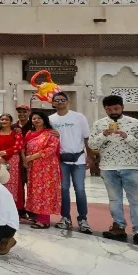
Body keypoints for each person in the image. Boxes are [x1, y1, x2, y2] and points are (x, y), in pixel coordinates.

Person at [87, 95, 138, 246]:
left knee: (136, 200)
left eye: (116, 108)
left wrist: (127, 136)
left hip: (130, 167)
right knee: (114, 199)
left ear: (122, 107)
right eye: (109, 109)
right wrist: (103, 135)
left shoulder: (134, 123)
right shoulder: (99, 124)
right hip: (108, 168)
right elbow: (92, 145)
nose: (113, 112)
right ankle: (118, 226)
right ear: (105, 109)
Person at [48, 93, 93, 234]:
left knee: (80, 189)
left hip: (78, 159)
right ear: (53, 103)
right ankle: (65, 218)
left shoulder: (79, 117)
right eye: (57, 100)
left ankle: (83, 219)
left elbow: (87, 138)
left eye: (63, 99)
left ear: (68, 102)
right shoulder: (50, 119)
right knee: (63, 189)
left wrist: (90, 157)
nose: (60, 102)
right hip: (61, 160)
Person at [23, 112, 61, 229]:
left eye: (39, 118)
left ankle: (44, 220)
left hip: (47, 167)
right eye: (34, 118)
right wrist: (26, 159)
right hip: (33, 168)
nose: (36, 120)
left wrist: (31, 157)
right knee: (35, 192)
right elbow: (24, 148)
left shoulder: (51, 133)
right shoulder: (29, 133)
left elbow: (51, 149)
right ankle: (37, 216)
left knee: (45, 192)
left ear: (44, 120)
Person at [0, 114, 24, 210]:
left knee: (11, 182)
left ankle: (11, 207)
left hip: (12, 161)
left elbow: (18, 147)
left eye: (6, 119)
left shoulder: (16, 133)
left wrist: (4, 154)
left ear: (11, 122)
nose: (4, 121)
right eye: (2, 119)